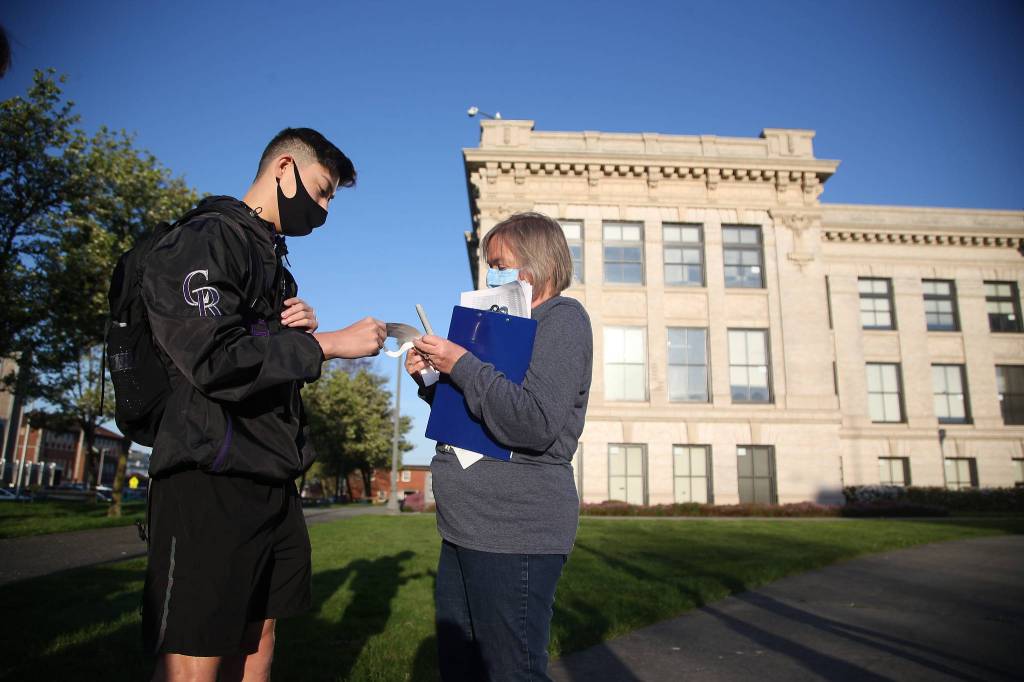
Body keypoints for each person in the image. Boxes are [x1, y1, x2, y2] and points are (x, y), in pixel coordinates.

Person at [141, 127, 386, 682]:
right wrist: (326, 344)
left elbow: (260, 361)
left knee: (258, 637)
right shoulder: (203, 239)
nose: (323, 209)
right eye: (321, 191)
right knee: (196, 651)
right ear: (283, 168)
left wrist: (291, 331)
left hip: (272, 477)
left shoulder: (273, 260)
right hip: (209, 475)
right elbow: (213, 360)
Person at [409, 212, 593, 682]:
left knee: (510, 671)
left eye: (499, 263)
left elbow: (532, 422)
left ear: (535, 264)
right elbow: (482, 412)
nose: (490, 275)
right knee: (462, 669)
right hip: (464, 527)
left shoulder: (562, 320)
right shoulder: (505, 324)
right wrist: (433, 380)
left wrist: (464, 364)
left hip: (514, 532)